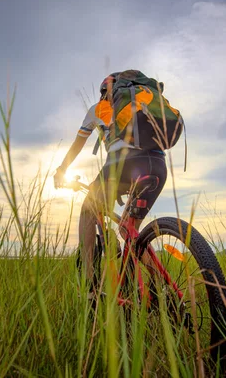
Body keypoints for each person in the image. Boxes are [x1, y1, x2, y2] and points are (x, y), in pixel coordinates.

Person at [53, 72, 168, 298]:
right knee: (128, 229)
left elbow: (77, 145)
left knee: (88, 210)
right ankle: (162, 287)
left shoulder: (98, 109)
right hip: (157, 165)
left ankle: (90, 288)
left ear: (106, 91)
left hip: (122, 167)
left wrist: (61, 170)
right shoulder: (145, 101)